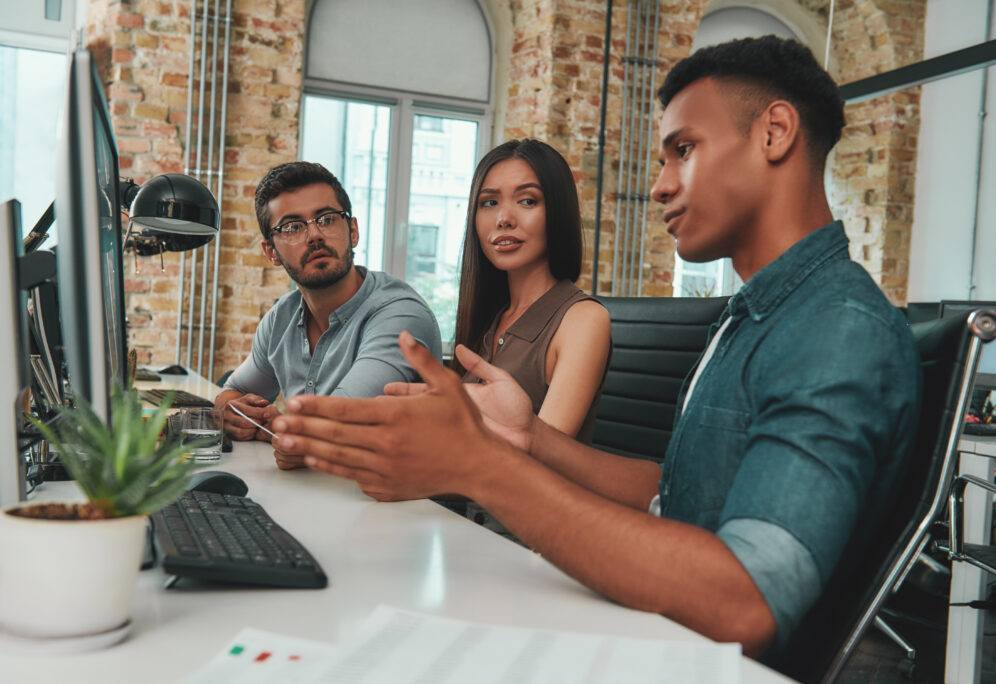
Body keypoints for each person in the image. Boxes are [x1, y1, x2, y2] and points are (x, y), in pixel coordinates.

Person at [267, 36, 921, 658]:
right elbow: (681, 494)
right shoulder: (754, 314)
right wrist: (527, 440)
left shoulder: (836, 328)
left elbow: (746, 604)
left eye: (682, 150)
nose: (661, 185)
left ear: (774, 134)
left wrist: (482, 465)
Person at [215, 161, 442, 470]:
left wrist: (283, 430)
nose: (314, 236)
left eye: (326, 219)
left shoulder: (399, 314)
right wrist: (230, 411)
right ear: (271, 252)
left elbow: (338, 423)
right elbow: (233, 391)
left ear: (352, 230)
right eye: (293, 227)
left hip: (396, 507)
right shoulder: (281, 316)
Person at [455, 139, 610, 442]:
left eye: (527, 201)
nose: (503, 219)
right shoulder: (492, 316)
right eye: (489, 202)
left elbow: (544, 458)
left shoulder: (583, 319)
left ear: (557, 211)